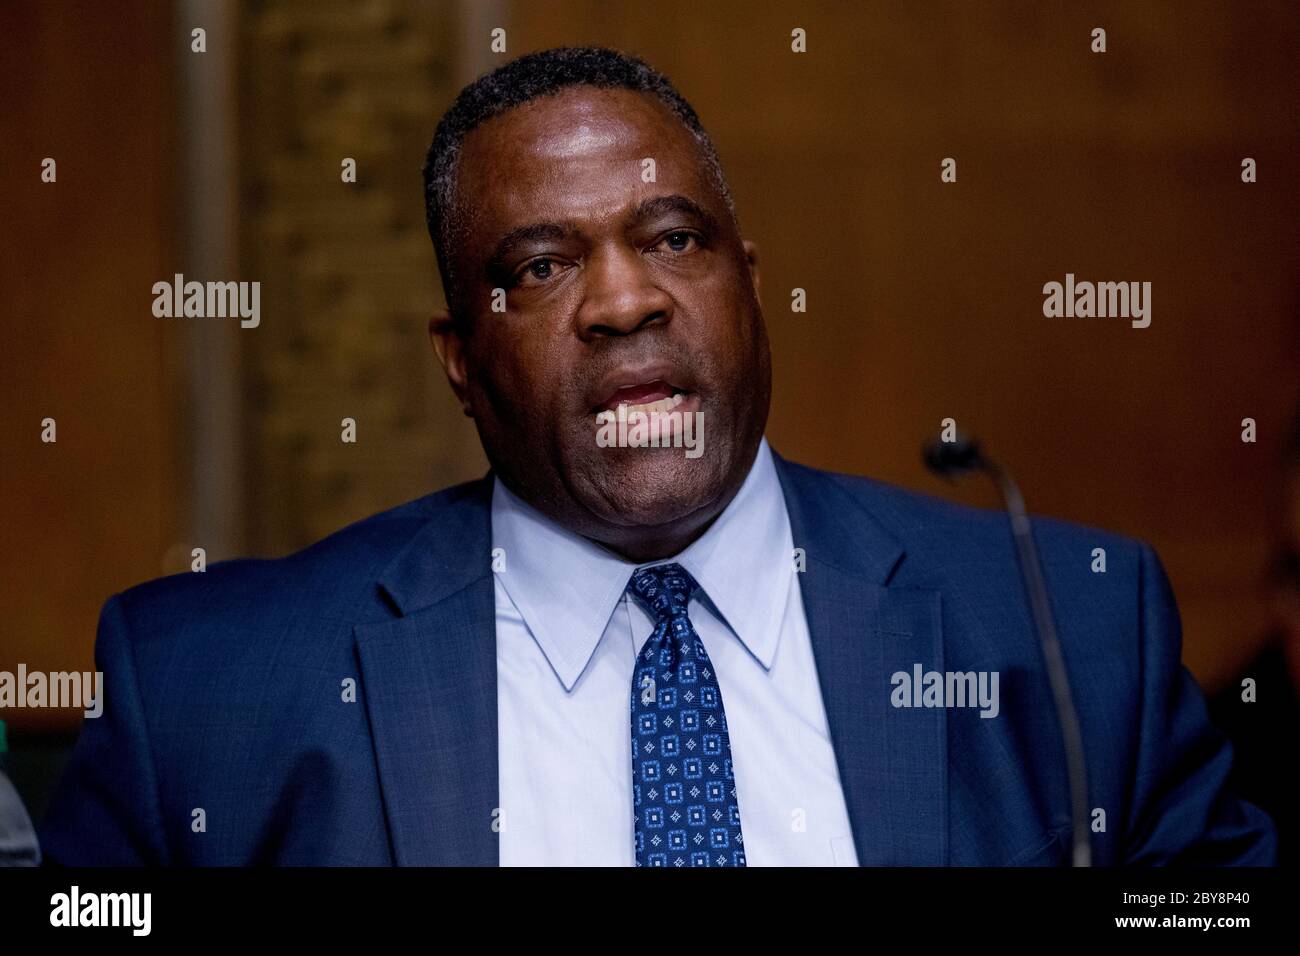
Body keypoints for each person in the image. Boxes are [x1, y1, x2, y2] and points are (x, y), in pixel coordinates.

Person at [40, 47, 1274, 866]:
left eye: (675, 237)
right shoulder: (207, 696)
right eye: (540, 264)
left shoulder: (1070, 636)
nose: (624, 300)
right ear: (460, 359)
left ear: (751, 285)